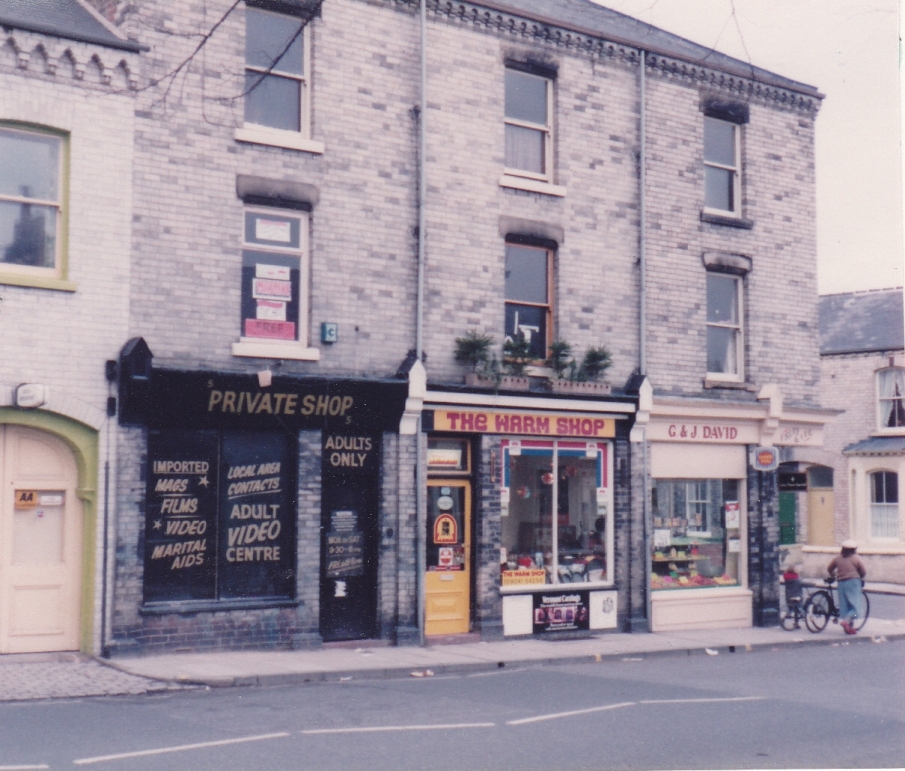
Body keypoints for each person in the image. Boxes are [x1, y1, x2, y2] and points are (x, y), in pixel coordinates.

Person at [827, 540, 867, 635]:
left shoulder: (837, 558)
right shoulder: (856, 558)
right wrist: (860, 577)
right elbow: (863, 571)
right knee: (856, 606)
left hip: (841, 583)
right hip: (853, 583)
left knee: (845, 606)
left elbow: (829, 569)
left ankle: (848, 627)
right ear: (854, 549)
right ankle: (846, 621)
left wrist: (834, 575)